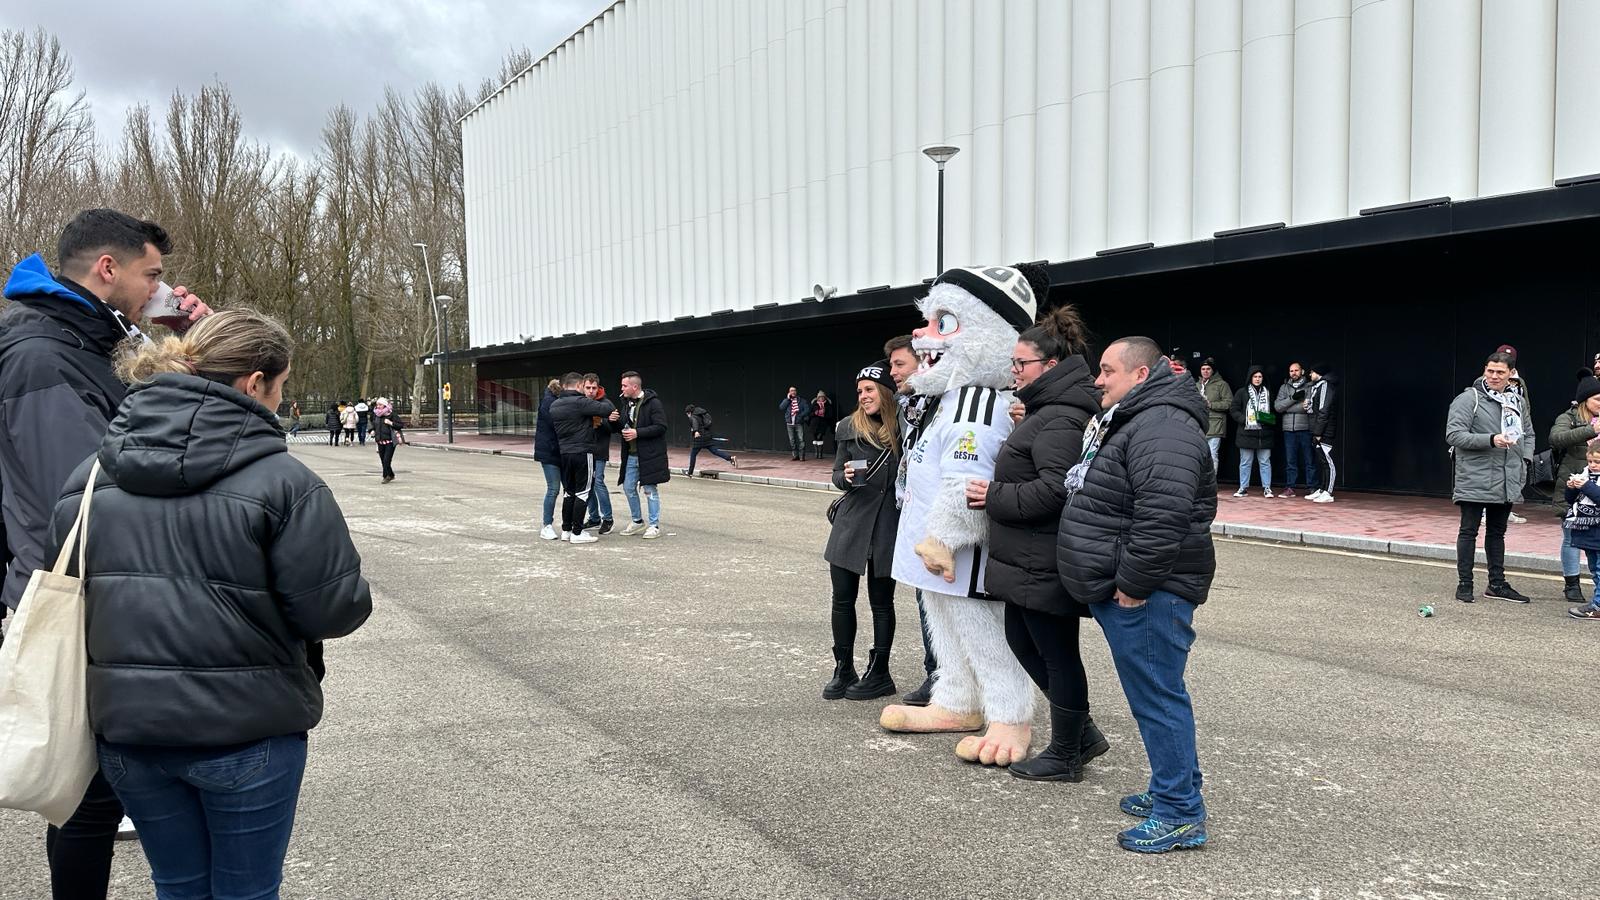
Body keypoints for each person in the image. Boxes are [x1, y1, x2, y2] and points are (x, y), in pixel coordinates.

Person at [52, 308, 371, 900]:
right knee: (247, 892)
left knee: (176, 885)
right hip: (247, 729)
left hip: (130, 732)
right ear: (255, 383)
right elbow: (334, 611)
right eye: (281, 386)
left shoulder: (87, 480)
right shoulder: (286, 483)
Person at [0, 208, 210, 897]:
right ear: (108, 269)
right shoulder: (43, 354)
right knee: (86, 791)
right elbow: (84, 490)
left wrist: (185, 343)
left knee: (94, 790)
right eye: (152, 274)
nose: (162, 289)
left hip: (101, 586)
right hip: (77, 592)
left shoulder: (89, 341)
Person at [1058, 336, 1215, 853]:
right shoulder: (1138, 419)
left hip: (1150, 594)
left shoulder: (1162, 425)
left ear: (1141, 376)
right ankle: (1173, 789)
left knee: (1157, 698)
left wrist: (1131, 585)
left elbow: (1163, 517)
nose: (1097, 379)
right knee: (1156, 694)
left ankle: (1180, 814)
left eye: (1107, 371)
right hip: (1138, 589)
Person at [976, 305, 1109, 783]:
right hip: (1026, 555)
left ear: (1049, 367)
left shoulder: (1061, 417)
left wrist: (992, 495)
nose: (1013, 372)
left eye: (1020, 365)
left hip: (1045, 554)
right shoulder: (1045, 411)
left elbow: (1057, 488)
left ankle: (1067, 752)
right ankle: (1083, 734)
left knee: (1056, 653)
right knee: (1021, 640)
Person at [821, 361, 902, 700]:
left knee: (881, 603)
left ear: (884, 391)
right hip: (851, 523)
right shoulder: (847, 427)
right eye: (859, 391)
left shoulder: (905, 429)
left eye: (869, 390)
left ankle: (879, 670)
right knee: (842, 600)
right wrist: (845, 478)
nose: (863, 396)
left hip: (886, 523)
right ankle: (843, 668)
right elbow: (837, 474)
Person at [1446, 351, 1534, 604]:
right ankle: (1465, 584)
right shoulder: (1468, 399)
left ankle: (1497, 584)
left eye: (1500, 372)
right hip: (1475, 476)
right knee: (1469, 531)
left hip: (1507, 476)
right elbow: (1454, 435)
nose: (1494, 376)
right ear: (1484, 369)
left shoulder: (1517, 400)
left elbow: (1528, 434)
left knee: (1497, 532)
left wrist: (1525, 459)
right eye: (1490, 371)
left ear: (1511, 374)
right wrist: (1491, 440)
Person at [885, 333, 939, 707]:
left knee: (942, 603)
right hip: (914, 510)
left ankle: (944, 676)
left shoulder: (944, 404)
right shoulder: (909, 406)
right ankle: (935, 673)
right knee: (925, 600)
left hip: (941, 519)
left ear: (923, 363)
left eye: (899, 364)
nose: (893, 372)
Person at [549, 372, 615, 544]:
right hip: (583, 452)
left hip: (565, 454)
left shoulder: (554, 405)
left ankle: (566, 530)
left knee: (568, 492)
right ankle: (578, 532)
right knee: (583, 492)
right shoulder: (581, 402)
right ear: (579, 385)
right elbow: (607, 409)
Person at [1551, 376, 1600, 601]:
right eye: (1598, 399)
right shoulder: (1569, 417)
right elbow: (1557, 439)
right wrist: (1591, 431)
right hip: (1574, 488)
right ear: (1584, 400)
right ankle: (1572, 585)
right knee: (1571, 537)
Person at [611, 370, 669, 538]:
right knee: (628, 487)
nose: (621, 388)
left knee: (650, 489)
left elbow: (661, 426)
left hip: (649, 455)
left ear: (634, 386)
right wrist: (614, 422)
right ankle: (637, 521)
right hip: (631, 454)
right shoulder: (626, 403)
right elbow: (624, 426)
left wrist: (638, 433)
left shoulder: (653, 403)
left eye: (624, 385)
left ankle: (654, 525)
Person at [1563, 446, 1600, 620]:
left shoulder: (1588, 482)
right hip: (1588, 530)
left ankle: (1598, 606)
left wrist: (1586, 486)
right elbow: (1571, 501)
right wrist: (1572, 488)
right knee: (1594, 569)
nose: (1593, 465)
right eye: (1590, 461)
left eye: (1597, 462)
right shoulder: (1585, 475)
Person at [1229, 366, 1276, 498]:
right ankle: (1243, 488)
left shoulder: (1268, 392)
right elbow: (1234, 409)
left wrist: (1268, 418)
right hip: (1246, 433)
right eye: (1255, 377)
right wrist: (1244, 419)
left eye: (1260, 377)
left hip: (1264, 433)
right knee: (1245, 462)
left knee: (1265, 462)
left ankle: (1267, 488)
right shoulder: (1242, 392)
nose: (1257, 379)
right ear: (1250, 378)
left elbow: (1274, 410)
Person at [583, 374, 618, 534]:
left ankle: (608, 519)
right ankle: (594, 518)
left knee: (598, 482)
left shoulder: (606, 404)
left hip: (599, 450)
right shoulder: (580, 402)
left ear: (599, 387)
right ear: (583, 387)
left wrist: (603, 421)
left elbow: (616, 427)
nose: (591, 391)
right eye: (588, 388)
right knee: (587, 485)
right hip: (583, 450)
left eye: (593, 388)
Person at [1274, 362, 1314, 497]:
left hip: (1305, 428)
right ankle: (1290, 487)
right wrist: (1294, 399)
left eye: (1296, 370)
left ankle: (1312, 487)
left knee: (1309, 460)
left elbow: (1307, 407)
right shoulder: (1284, 387)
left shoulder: (1309, 386)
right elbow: (1278, 407)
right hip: (1288, 429)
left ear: (1302, 371)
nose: (1294, 373)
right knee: (1290, 461)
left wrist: (1288, 408)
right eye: (1291, 371)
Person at [1305, 362, 1339, 502]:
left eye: (1312, 372)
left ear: (1318, 373)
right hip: (1317, 429)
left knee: (1327, 461)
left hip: (1325, 431)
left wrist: (1318, 432)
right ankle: (1322, 488)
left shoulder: (1325, 385)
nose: (1310, 375)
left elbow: (1324, 410)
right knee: (1321, 460)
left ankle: (1329, 492)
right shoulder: (1316, 387)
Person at [535, 378, 563, 540]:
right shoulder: (549, 403)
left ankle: (567, 524)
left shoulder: (550, 401)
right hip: (551, 452)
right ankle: (547, 525)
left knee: (562, 489)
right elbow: (557, 425)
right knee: (553, 489)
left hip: (557, 452)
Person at [1195, 358, 1230, 471]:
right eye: (1203, 369)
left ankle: (1212, 482)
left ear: (1213, 370)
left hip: (1215, 424)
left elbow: (1229, 403)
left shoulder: (1222, 384)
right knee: (1198, 454)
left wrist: (1211, 405)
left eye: (1208, 369)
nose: (1205, 371)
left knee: (1212, 454)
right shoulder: (1196, 385)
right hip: (1198, 424)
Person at [684, 402, 737, 475]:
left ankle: (689, 472)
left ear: (689, 412)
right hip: (707, 436)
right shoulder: (701, 414)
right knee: (715, 451)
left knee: (693, 454)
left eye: (687, 414)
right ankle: (730, 458)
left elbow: (694, 423)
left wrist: (696, 431)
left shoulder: (693, 417)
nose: (687, 416)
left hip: (699, 438)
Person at [372, 396, 408, 482]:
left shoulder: (392, 415)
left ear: (385, 405)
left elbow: (400, 425)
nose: (378, 406)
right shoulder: (376, 415)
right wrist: (372, 430)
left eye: (380, 404)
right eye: (377, 404)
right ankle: (391, 474)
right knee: (383, 460)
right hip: (380, 440)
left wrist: (390, 423)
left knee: (386, 460)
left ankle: (385, 476)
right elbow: (374, 425)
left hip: (390, 441)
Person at [779, 385, 810, 459]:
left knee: (801, 439)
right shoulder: (787, 400)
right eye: (791, 391)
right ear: (789, 392)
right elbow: (781, 407)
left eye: (794, 390)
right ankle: (795, 455)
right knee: (792, 440)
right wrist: (787, 399)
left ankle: (802, 456)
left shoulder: (802, 401)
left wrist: (800, 416)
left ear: (796, 392)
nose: (793, 392)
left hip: (798, 423)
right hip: (789, 423)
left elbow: (807, 410)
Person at [809, 390, 835, 459]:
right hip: (814, 424)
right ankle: (816, 453)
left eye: (823, 397)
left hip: (823, 424)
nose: (821, 398)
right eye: (820, 397)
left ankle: (820, 454)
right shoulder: (814, 404)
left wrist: (823, 414)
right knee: (814, 438)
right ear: (818, 398)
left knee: (819, 437)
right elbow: (810, 414)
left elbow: (830, 415)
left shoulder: (828, 405)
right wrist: (816, 413)